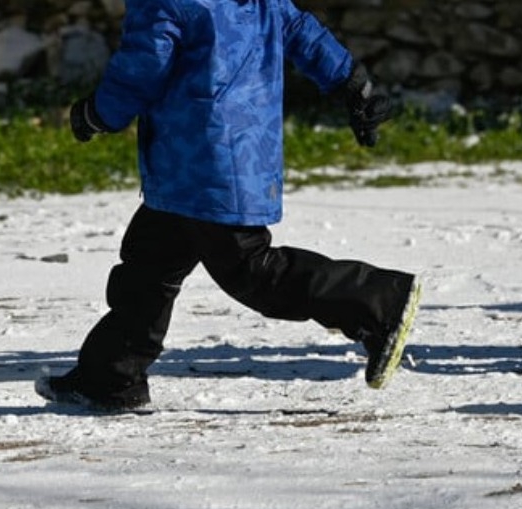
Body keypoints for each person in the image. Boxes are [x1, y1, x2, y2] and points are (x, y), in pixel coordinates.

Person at [37, 0, 421, 411]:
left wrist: (97, 113)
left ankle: (378, 301)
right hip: (225, 157)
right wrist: (352, 81)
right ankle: (109, 378)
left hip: (200, 160)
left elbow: (144, 66)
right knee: (147, 267)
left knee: (251, 270)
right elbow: (299, 30)